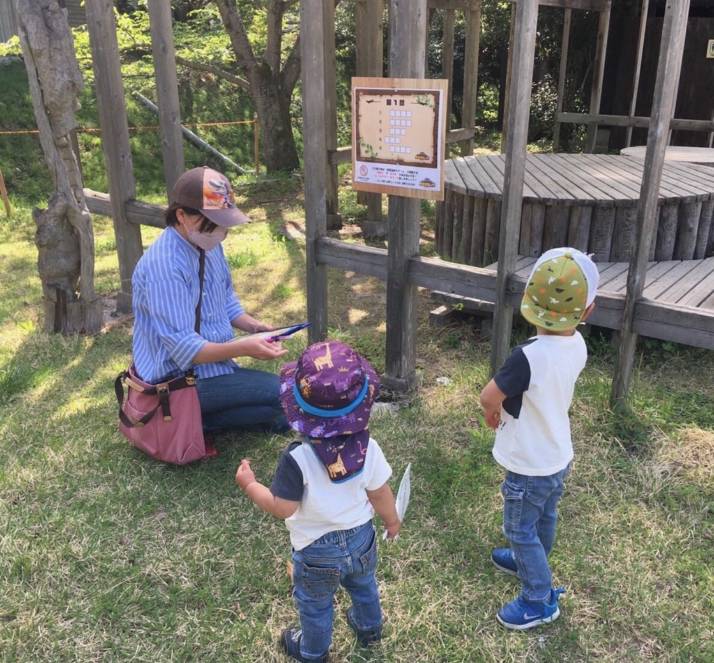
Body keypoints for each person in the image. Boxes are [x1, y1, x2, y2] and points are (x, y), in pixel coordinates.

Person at [235, 341, 401, 663]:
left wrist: (251, 485)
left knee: (315, 605)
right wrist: (392, 521)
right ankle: (369, 628)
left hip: (315, 551)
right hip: (361, 540)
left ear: (297, 409)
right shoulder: (370, 448)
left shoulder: (297, 458)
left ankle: (312, 651)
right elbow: (379, 492)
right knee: (364, 585)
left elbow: (283, 507)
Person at [479, 247, 599, 630]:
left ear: (527, 302)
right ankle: (530, 559)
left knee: (519, 527)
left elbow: (488, 395)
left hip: (528, 462)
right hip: (557, 454)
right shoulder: (577, 345)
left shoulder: (527, 357)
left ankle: (537, 599)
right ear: (587, 312)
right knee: (544, 516)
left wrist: (491, 412)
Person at [131, 166, 289, 448]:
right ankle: (180, 416)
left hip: (212, 368)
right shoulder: (164, 266)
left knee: (284, 410)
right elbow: (186, 349)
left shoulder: (208, 245)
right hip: (177, 381)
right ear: (181, 216)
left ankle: (197, 420)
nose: (221, 232)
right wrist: (245, 346)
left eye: (224, 223)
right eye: (213, 223)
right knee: (283, 392)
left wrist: (253, 326)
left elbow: (225, 299)